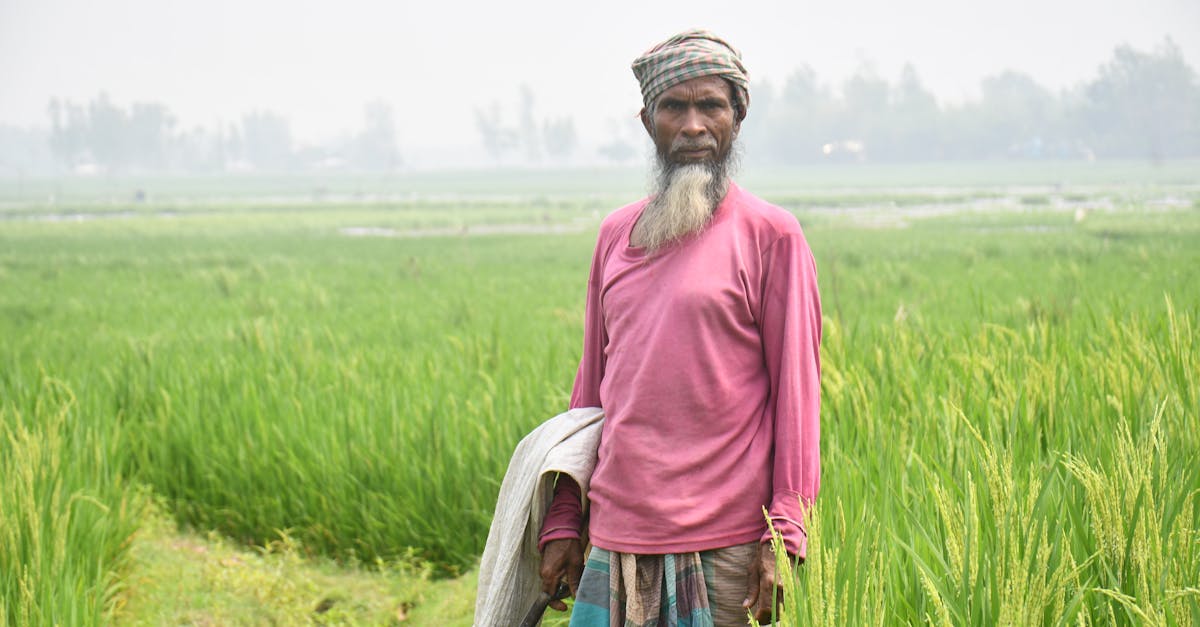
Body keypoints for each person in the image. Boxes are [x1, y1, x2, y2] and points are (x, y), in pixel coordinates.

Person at [537, 29, 822, 626]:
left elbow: (798, 397)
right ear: (648, 123)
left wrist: (786, 532)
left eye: (711, 106)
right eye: (675, 107)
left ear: (737, 119)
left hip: (728, 547)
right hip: (614, 534)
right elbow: (592, 390)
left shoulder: (772, 237)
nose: (693, 125)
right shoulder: (616, 235)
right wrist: (565, 514)